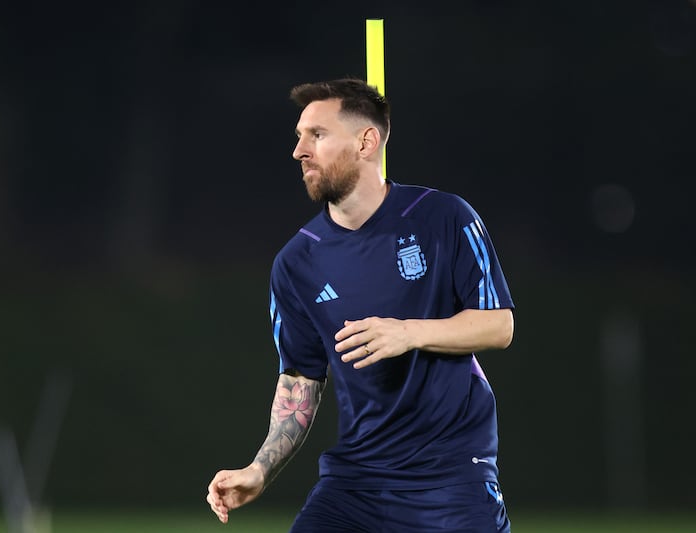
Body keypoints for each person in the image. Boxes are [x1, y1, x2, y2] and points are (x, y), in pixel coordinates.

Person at [206, 78, 515, 532]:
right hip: (355, 482)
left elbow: (498, 325)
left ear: (367, 141)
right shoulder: (297, 261)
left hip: (451, 478)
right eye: (299, 137)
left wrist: (408, 332)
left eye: (317, 135)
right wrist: (259, 469)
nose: (299, 151)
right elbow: (300, 380)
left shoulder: (445, 217)